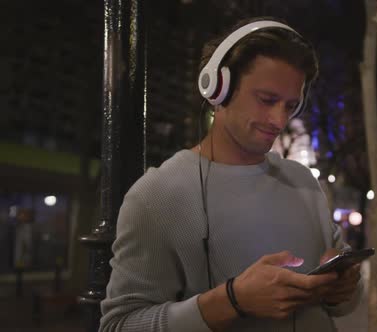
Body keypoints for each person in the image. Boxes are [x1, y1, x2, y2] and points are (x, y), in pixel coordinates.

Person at [99, 17, 362, 332]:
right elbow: (119, 325)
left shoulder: (304, 181)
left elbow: (344, 303)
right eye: (266, 100)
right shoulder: (157, 195)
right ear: (217, 88)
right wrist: (232, 301)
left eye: (291, 105)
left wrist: (342, 289)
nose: (279, 119)